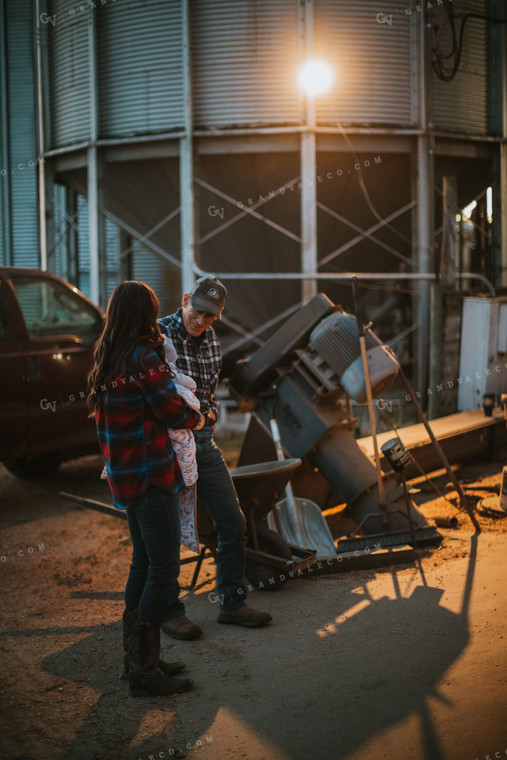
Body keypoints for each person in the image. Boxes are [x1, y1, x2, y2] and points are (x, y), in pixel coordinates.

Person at [87, 281, 206, 697]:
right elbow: (173, 412)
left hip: (124, 476)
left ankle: (139, 661)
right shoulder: (145, 358)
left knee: (143, 563)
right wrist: (200, 418)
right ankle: (143, 669)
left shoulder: (109, 355)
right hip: (152, 474)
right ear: (144, 313)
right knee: (163, 569)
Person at [159, 275, 272, 639]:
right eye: (199, 312)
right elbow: (159, 398)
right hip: (165, 445)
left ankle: (232, 603)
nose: (202, 321)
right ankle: (170, 611)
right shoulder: (157, 336)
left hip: (203, 443)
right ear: (186, 299)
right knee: (165, 530)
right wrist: (191, 416)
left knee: (233, 522)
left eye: (210, 317)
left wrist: (202, 417)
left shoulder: (213, 345)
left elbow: (208, 401)